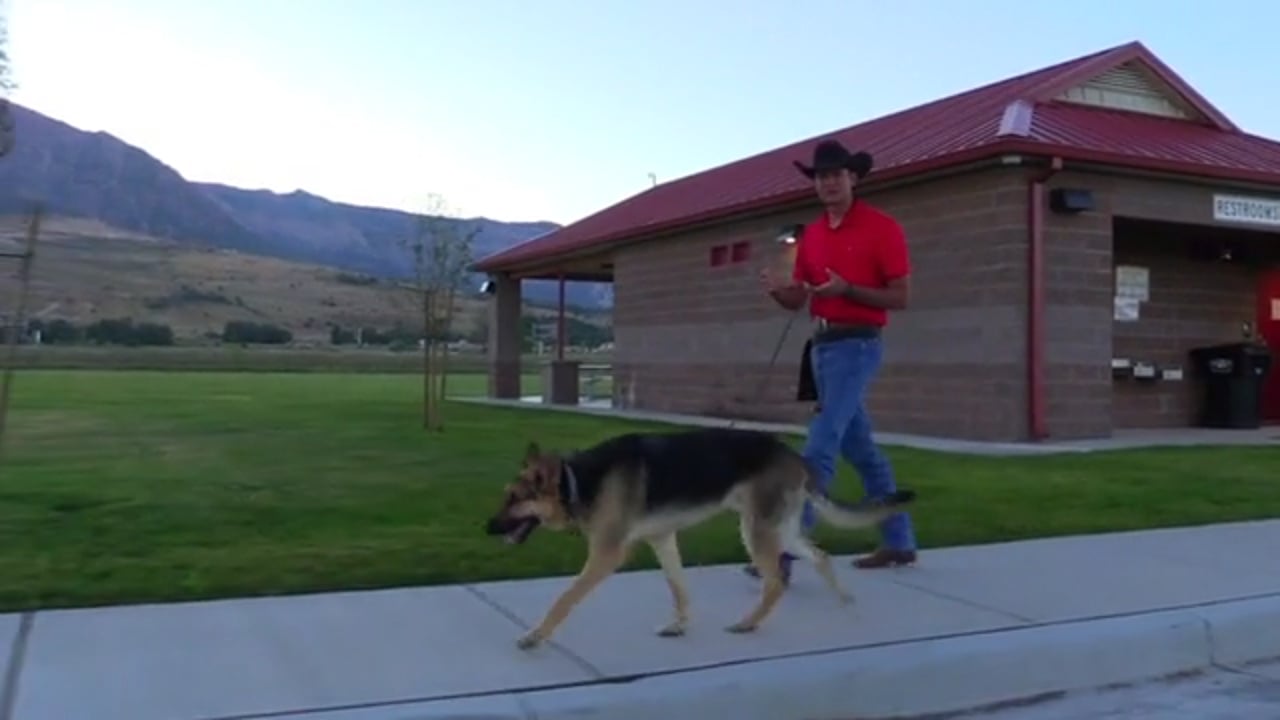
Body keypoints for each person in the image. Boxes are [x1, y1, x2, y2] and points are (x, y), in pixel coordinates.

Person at [747, 138, 918, 582]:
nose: (828, 182)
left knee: (819, 448)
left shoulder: (883, 228)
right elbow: (798, 299)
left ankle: (783, 552)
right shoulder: (815, 234)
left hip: (858, 345)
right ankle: (899, 542)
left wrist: (849, 291)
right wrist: (777, 289)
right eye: (821, 176)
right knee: (861, 451)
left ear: (853, 178)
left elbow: (900, 297)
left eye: (836, 174)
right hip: (822, 348)